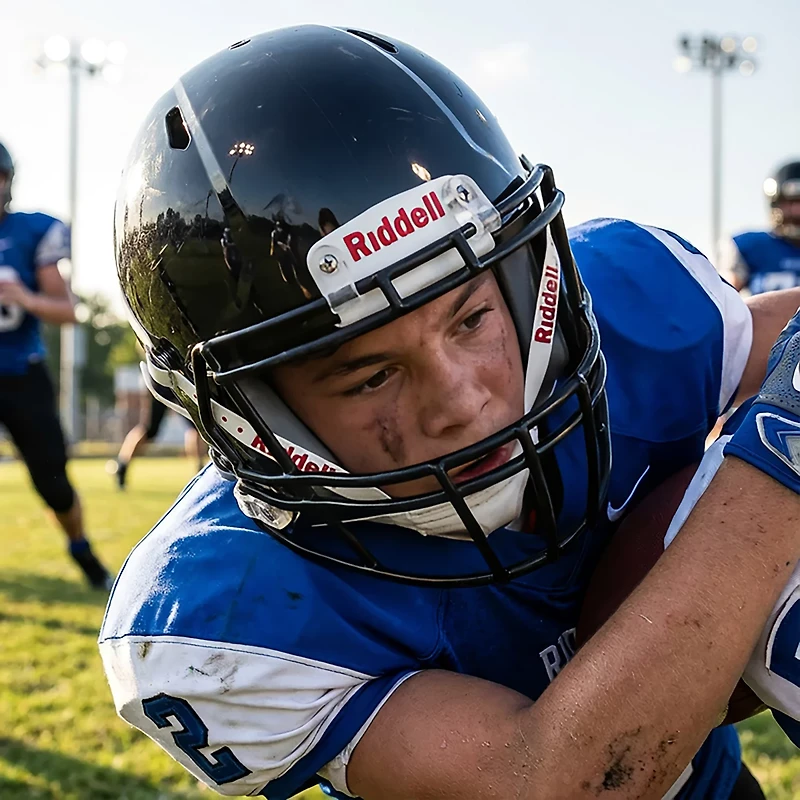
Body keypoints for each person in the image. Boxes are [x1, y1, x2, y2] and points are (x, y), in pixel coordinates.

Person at [98, 27, 800, 800]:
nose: (462, 401)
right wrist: (776, 469)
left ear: (527, 281)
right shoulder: (223, 609)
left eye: (470, 320)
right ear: (247, 413)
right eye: (372, 376)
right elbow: (551, 784)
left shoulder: (626, 311)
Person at [0, 141, 113, 590]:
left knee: (53, 483)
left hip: (21, 373)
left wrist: (25, 298)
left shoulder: (31, 231)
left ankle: (80, 547)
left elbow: (68, 310)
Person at [720, 160, 800, 294]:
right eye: (790, 202)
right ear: (776, 204)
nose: (797, 211)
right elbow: (722, 299)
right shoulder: (750, 246)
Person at [108, 388, 207, 489]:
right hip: (161, 384)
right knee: (149, 430)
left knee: (197, 426)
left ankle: (200, 470)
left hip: (177, 384)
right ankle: (122, 465)